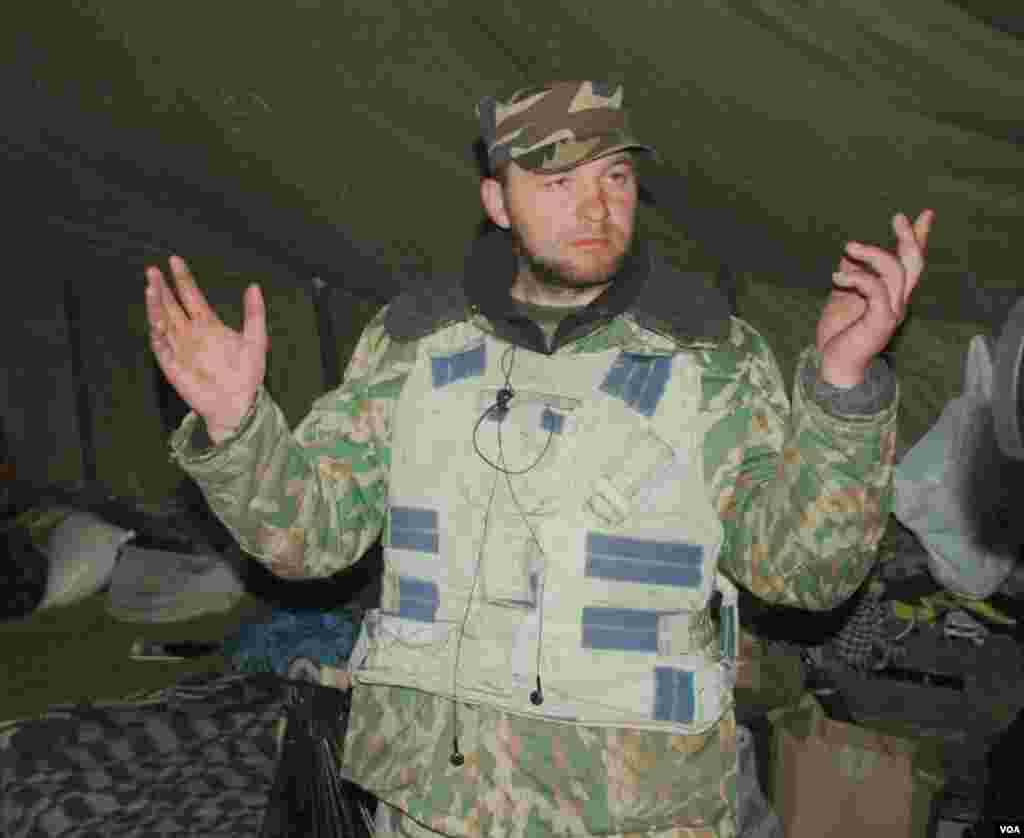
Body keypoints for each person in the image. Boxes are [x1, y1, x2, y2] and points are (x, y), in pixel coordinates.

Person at [145, 80, 933, 838]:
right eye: (556, 181)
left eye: (615, 176)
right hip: (438, 802)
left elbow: (808, 573)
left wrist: (842, 388)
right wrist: (237, 423)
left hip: (641, 809)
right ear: (497, 201)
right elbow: (309, 540)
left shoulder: (711, 357)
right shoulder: (412, 343)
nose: (596, 207)